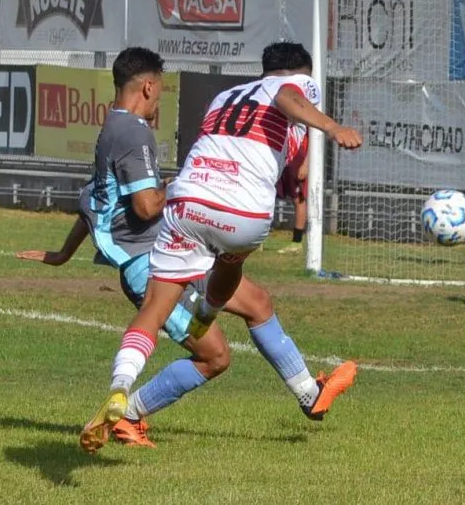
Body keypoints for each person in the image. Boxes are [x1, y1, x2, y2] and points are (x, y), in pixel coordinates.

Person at [79, 41, 363, 455]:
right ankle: (133, 409)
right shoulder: (293, 88)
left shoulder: (224, 97)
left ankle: (123, 386)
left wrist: (66, 250)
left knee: (256, 303)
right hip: (232, 218)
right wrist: (331, 128)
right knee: (216, 350)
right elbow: (286, 99)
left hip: (187, 211)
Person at [16, 183, 278, 449]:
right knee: (216, 355)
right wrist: (179, 185)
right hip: (160, 270)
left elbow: (89, 213)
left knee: (246, 315)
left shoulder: (99, 181)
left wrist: (63, 255)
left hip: (177, 263)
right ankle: (126, 412)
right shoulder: (132, 156)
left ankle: (124, 405)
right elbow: (147, 206)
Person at [275, 124, 309, 254]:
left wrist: (306, 165)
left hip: (297, 157)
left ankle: (297, 242)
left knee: (298, 199)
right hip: (282, 155)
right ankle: (260, 237)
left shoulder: (307, 112)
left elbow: (314, 140)